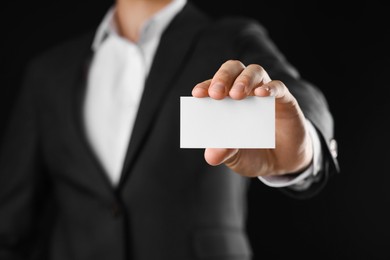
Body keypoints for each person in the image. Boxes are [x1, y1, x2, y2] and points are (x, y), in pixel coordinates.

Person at [0, 0, 339, 259]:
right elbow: (9, 225)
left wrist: (305, 148)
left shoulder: (230, 38)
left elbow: (299, 93)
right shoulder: (47, 73)